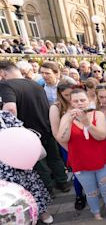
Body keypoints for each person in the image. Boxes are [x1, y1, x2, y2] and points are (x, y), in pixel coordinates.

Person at [0, 60, 70, 197]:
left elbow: (10, 108)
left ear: (3, 72)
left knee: (39, 162)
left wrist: (9, 127)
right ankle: (63, 183)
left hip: (28, 132)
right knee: (54, 158)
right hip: (46, 126)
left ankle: (48, 189)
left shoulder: (5, 85)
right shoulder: (36, 84)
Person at [57, 89, 106, 220]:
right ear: (71, 102)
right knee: (90, 191)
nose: (80, 103)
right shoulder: (66, 117)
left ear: (88, 100)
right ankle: (96, 213)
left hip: (101, 158)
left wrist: (87, 123)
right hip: (80, 160)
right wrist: (69, 121)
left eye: (82, 100)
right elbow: (62, 138)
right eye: (76, 101)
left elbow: (102, 135)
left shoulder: (98, 114)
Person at [0, 110, 53, 224]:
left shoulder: (4, 115)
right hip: (2, 170)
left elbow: (21, 133)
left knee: (30, 187)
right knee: (7, 196)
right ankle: (13, 219)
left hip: (19, 161)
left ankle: (41, 212)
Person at [49, 81, 86, 210]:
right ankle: (79, 195)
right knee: (78, 172)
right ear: (60, 94)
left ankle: (92, 192)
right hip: (68, 145)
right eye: (66, 95)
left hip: (85, 143)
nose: (71, 98)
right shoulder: (57, 108)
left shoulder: (81, 102)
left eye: (72, 94)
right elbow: (56, 133)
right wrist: (69, 150)